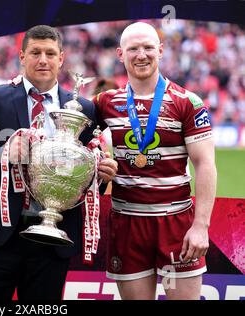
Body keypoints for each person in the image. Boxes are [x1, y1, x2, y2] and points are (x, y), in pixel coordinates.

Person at [0, 25, 118, 300]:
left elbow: (86, 174)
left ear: (61, 58)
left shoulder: (83, 109)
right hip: (0, 234)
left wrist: (101, 175)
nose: (43, 59)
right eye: (35, 52)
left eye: (50, 53)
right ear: (22, 56)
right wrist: (4, 153)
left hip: (54, 237)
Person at [93, 22, 217, 300]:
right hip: (127, 221)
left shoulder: (188, 102)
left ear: (160, 51)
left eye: (148, 47)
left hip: (176, 222)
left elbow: (205, 164)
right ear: (120, 54)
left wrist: (201, 226)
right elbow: (76, 142)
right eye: (133, 48)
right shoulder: (104, 103)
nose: (141, 55)